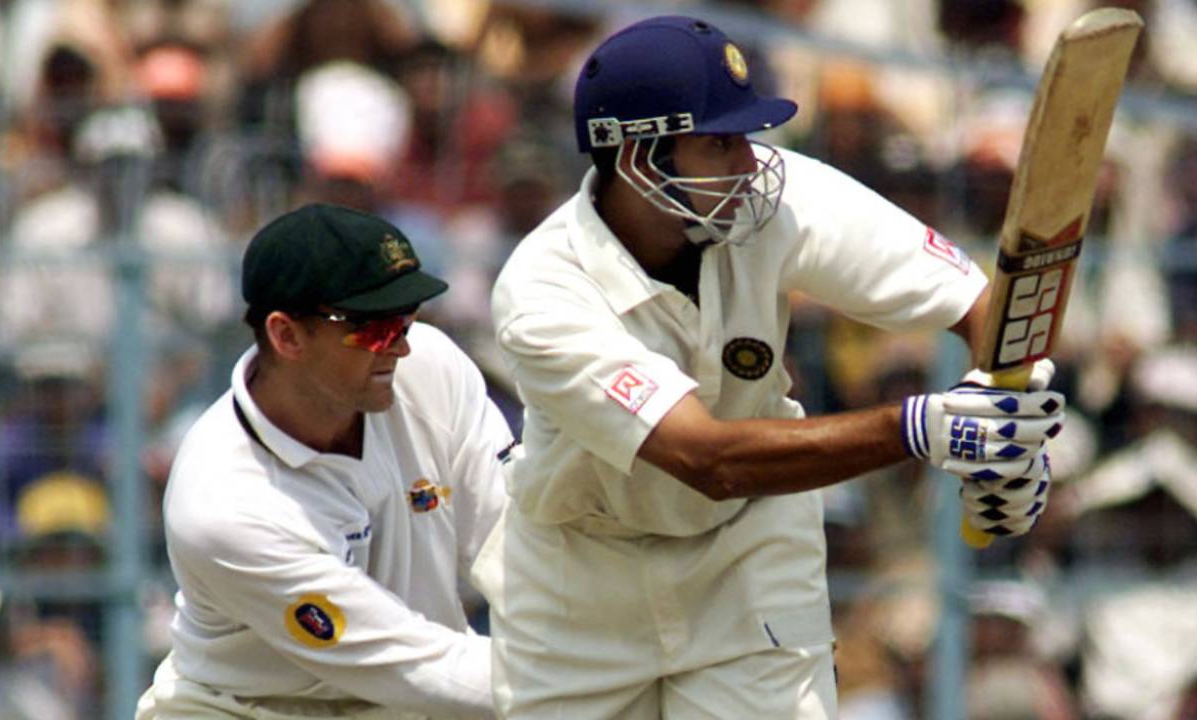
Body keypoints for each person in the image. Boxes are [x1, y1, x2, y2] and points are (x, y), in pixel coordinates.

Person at [479, 15, 1066, 719]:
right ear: (637, 158)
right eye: (720, 143)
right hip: (580, 581)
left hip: (745, 555)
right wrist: (923, 428)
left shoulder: (772, 196)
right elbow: (705, 459)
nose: (749, 163)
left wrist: (1011, 410)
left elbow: (978, 303)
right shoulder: (544, 292)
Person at [136, 204, 513, 719]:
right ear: (286, 335)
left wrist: (604, 651)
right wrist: (595, 682)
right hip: (251, 710)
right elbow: (413, 666)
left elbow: (514, 548)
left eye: (406, 318)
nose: (400, 347)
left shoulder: (431, 367)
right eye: (375, 329)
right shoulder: (223, 502)